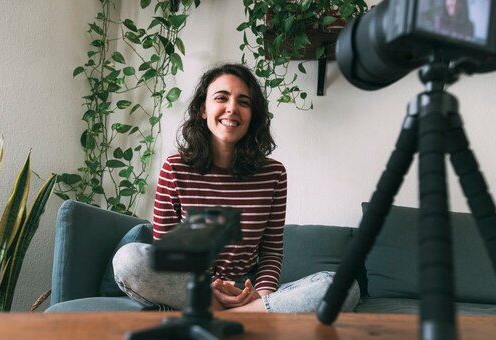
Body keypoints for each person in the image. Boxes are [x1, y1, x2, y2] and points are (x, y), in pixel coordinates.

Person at [112, 63, 360, 313]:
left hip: (248, 293)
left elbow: (271, 252)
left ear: (253, 115)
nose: (232, 108)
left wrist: (259, 296)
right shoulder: (175, 168)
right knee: (128, 259)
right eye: (221, 98)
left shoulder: (273, 174)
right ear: (203, 109)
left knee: (344, 285)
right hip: (190, 287)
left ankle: (238, 315)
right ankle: (241, 314)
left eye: (244, 102)